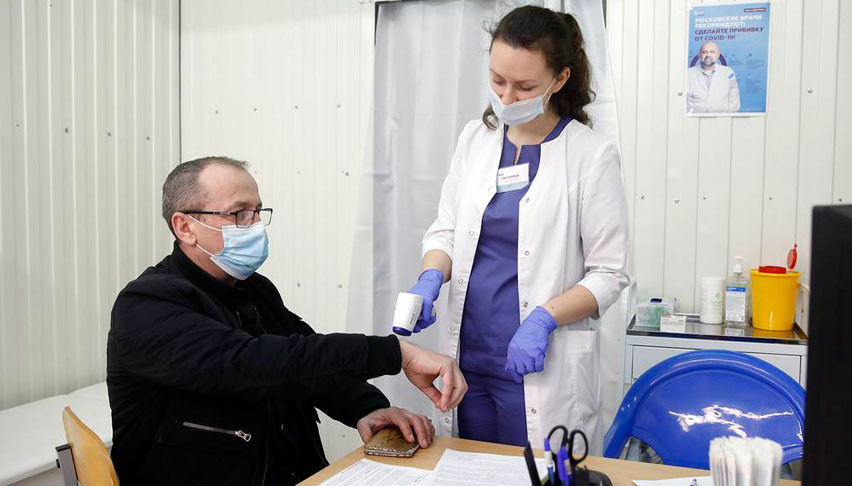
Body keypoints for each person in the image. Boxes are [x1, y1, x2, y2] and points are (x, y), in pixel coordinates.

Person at [107, 156, 467, 485]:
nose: (255, 226)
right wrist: (395, 353)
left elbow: (305, 360)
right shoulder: (145, 305)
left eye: (257, 212)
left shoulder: (254, 289)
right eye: (239, 214)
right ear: (185, 227)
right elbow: (252, 364)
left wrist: (368, 407)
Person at [401, 6, 629, 453]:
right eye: (497, 80)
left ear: (559, 79)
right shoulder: (475, 140)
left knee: (537, 474)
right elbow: (446, 232)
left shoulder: (590, 156)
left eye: (524, 87)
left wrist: (545, 318)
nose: (506, 98)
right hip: (467, 364)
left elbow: (608, 272)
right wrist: (430, 277)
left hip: (540, 366)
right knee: (470, 470)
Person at [686, 42, 741, 113]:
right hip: (694, 118)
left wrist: (727, 117)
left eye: (712, 52)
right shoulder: (688, 73)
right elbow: (683, 99)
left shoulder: (729, 73)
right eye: (704, 52)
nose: (708, 55)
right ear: (699, 55)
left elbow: (734, 98)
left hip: (722, 118)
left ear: (718, 55)